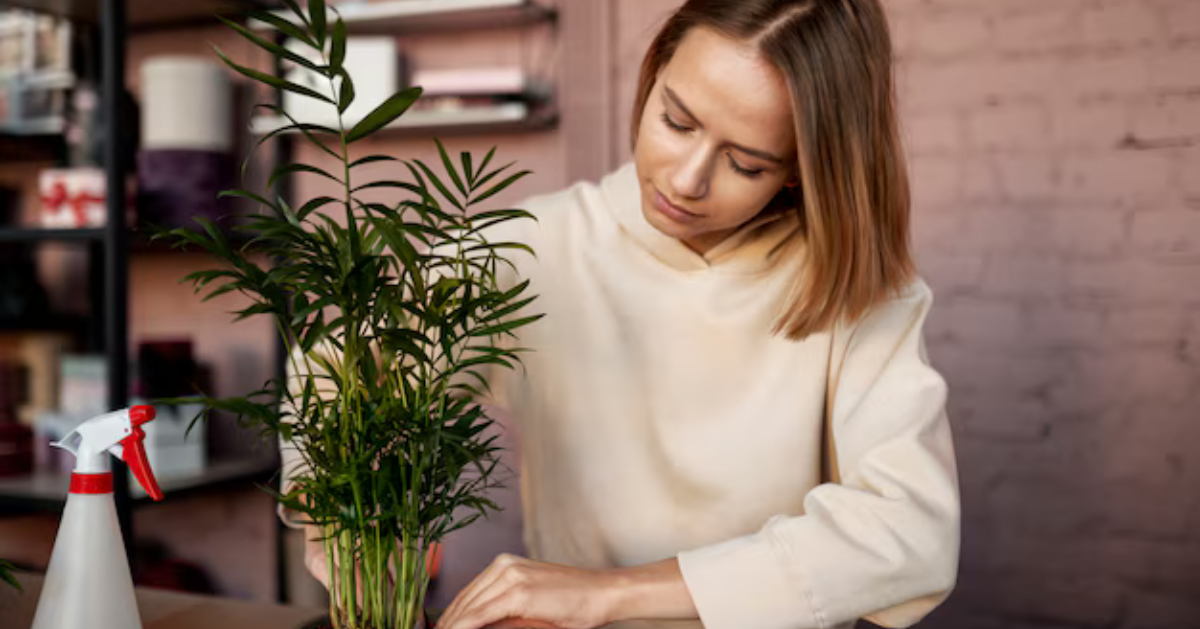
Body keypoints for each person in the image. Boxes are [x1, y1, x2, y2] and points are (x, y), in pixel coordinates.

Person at [285, 1, 961, 628]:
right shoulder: (530, 251)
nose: (686, 180)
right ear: (653, 73)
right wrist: (338, 524)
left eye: (746, 162)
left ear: (800, 169)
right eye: (677, 121)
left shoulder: (859, 287)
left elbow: (909, 530)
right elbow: (338, 367)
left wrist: (608, 591)